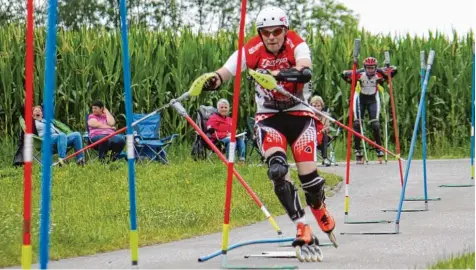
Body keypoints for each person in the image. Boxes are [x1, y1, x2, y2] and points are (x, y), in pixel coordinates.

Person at [200, 6, 337, 248]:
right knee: (277, 171)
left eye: (276, 31)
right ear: (260, 33)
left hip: (299, 116)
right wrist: (213, 80)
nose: (271, 37)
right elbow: (224, 72)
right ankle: (302, 227)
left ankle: (318, 206)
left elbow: (304, 70)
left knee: (311, 183)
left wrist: (278, 74)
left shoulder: (297, 43)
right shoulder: (251, 49)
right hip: (269, 118)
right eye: (266, 32)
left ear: (284, 30)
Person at [341, 57, 397, 164]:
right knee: (357, 124)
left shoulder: (379, 74)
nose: (370, 70)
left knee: (375, 124)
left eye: (372, 68)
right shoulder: (360, 74)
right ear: (365, 67)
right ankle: (358, 150)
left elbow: (395, 70)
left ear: (375, 67)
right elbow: (343, 74)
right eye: (368, 68)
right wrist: (355, 74)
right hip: (360, 98)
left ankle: (378, 148)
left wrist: (383, 71)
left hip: (373, 99)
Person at [310, 95, 332, 167]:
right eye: (314, 106)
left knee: (325, 135)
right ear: (311, 106)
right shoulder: (309, 115)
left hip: (323, 137)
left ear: (322, 107)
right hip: (312, 137)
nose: (316, 108)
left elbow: (328, 128)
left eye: (318, 106)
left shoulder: (325, 116)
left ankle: (325, 158)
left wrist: (323, 130)